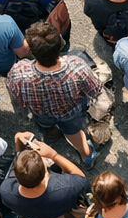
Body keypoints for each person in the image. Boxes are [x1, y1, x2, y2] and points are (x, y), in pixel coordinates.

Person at [6, 22, 104, 167]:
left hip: (40, 112)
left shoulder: (18, 72)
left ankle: (52, 135)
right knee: (74, 133)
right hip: (70, 113)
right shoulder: (77, 66)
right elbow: (95, 89)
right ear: (59, 45)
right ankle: (86, 157)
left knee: (45, 126)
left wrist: (24, 114)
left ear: (31, 50)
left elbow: (17, 98)